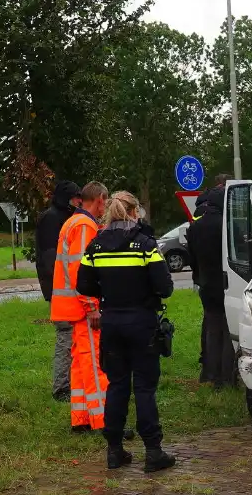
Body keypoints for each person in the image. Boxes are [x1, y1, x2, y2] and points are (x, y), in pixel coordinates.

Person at [77, 191, 176, 472]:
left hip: (111, 324)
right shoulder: (145, 245)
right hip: (142, 323)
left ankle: (115, 450)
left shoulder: (95, 246)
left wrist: (108, 292)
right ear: (134, 213)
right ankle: (153, 452)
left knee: (117, 386)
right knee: (144, 388)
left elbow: (84, 285)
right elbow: (165, 287)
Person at [51, 181, 109, 432]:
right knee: (94, 363)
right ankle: (102, 421)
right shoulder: (85, 225)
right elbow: (80, 271)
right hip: (82, 307)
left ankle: (81, 418)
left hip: (71, 307)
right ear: (100, 199)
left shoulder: (72, 222)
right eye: (104, 202)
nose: (105, 207)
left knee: (79, 363)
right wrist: (91, 306)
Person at [35, 180, 82, 401]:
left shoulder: (64, 217)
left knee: (72, 336)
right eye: (75, 197)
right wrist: (61, 286)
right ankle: (61, 387)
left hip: (64, 287)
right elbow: (50, 258)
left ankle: (70, 382)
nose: (78, 201)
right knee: (65, 335)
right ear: (66, 197)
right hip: (60, 289)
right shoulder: (52, 218)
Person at [187, 183, 236, 386]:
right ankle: (227, 376)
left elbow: (191, 258)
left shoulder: (195, 226)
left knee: (212, 328)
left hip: (206, 284)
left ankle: (210, 373)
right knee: (228, 329)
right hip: (227, 282)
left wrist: (199, 278)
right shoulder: (227, 224)